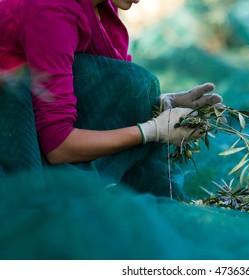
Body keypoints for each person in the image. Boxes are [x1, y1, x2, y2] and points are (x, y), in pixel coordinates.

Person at [0, 0, 222, 198]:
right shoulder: (53, 13)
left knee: (136, 83)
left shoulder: (98, 7)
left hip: (34, 106)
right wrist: (152, 130)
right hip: (12, 127)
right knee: (135, 82)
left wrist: (158, 104)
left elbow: (107, 92)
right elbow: (57, 146)